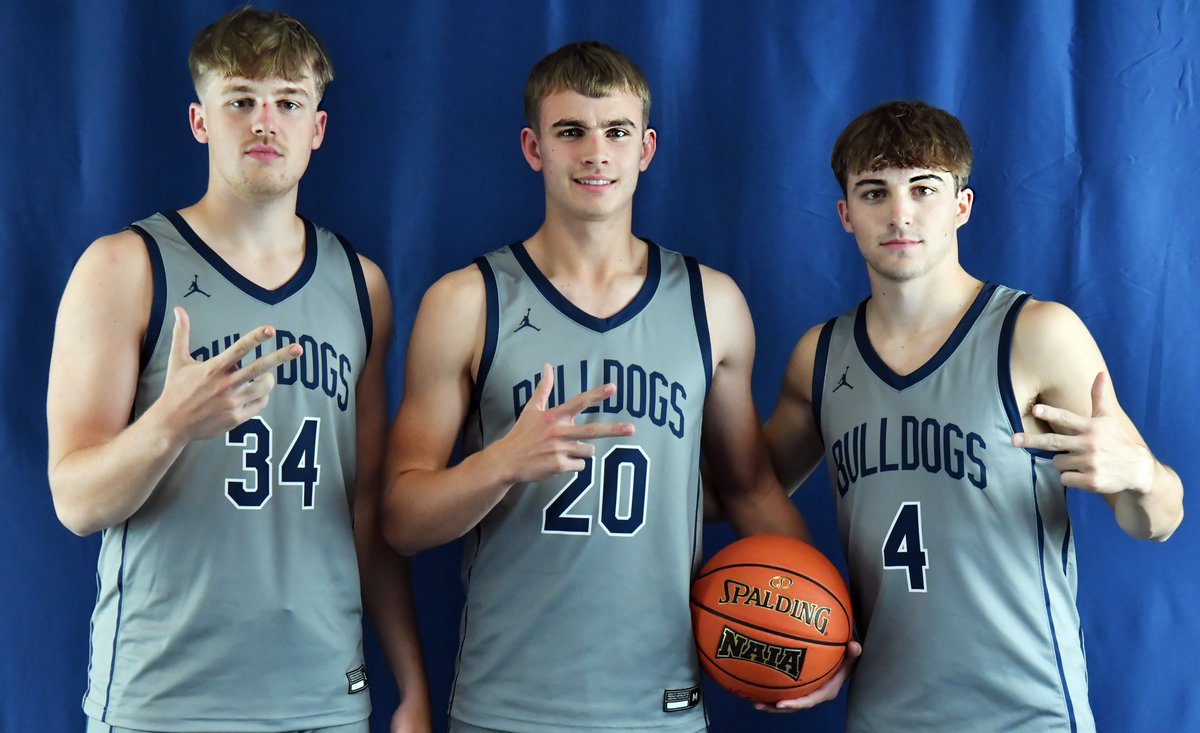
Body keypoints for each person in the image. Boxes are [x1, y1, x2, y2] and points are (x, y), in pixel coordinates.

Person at [382, 41, 808, 732]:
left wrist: (827, 621)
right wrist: (500, 463)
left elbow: (751, 489)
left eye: (616, 131)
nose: (595, 152)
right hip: (508, 707)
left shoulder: (712, 304)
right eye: (570, 131)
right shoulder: (467, 302)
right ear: (533, 147)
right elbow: (400, 518)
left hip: (661, 705)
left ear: (646, 148)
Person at [45, 8, 430, 732]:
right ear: (201, 121)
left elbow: (368, 508)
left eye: (288, 102)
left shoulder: (361, 286)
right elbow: (75, 501)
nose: (265, 121)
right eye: (241, 100)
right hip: (166, 699)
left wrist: (409, 683)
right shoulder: (124, 268)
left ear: (317, 128)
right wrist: (167, 425)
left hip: (324, 696)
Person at [762, 100, 1184, 730]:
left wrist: (1143, 477)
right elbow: (740, 490)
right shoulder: (819, 358)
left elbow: (1160, 522)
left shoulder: (1037, 334)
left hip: (1027, 712)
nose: (900, 213)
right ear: (846, 214)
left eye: (923, 189)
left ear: (961, 205)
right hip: (883, 712)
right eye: (874, 192)